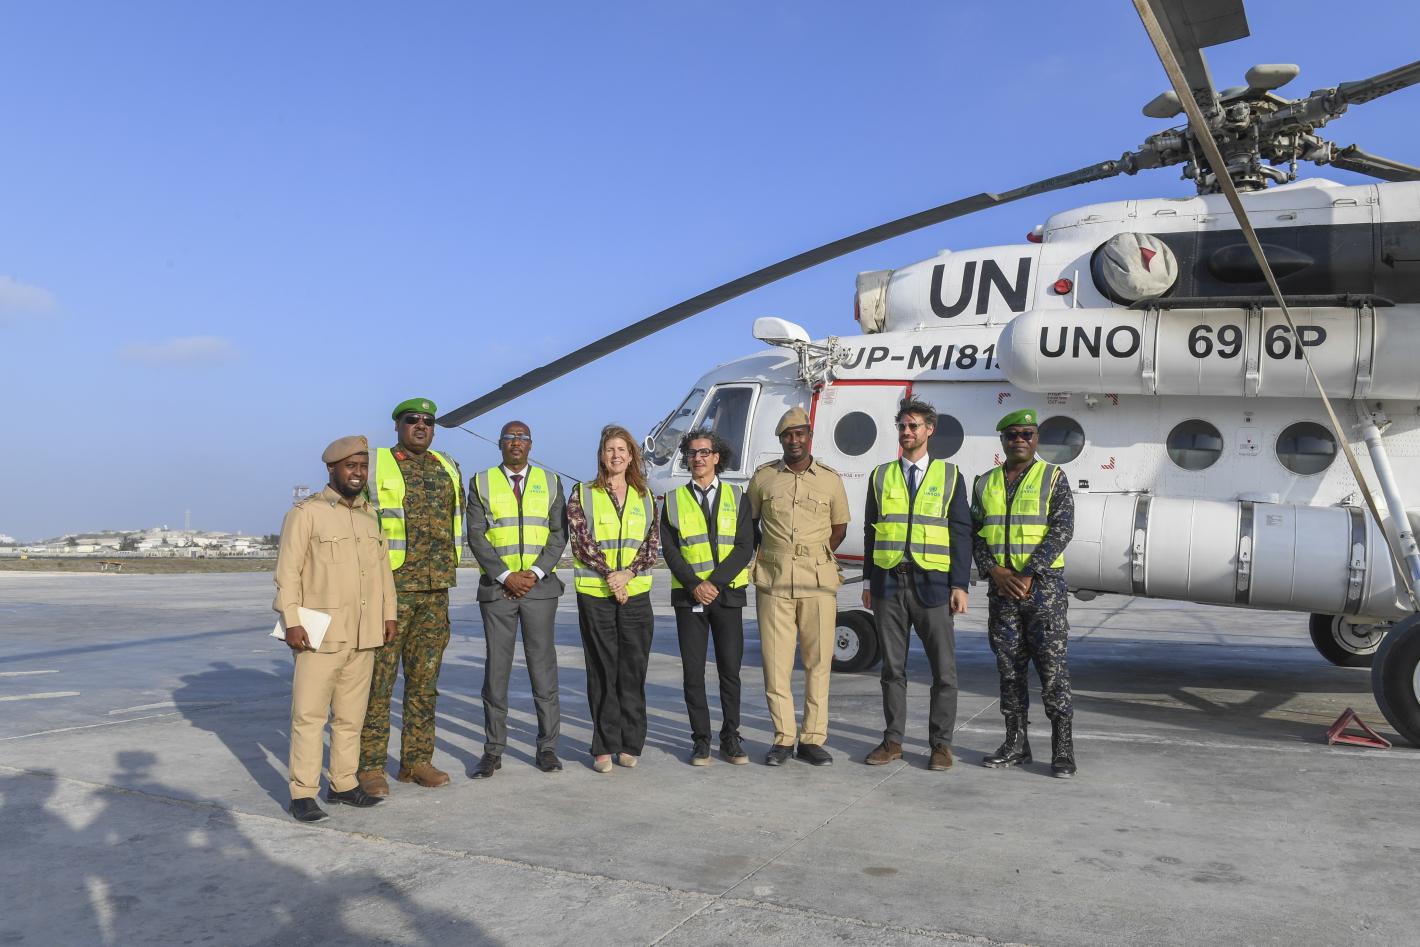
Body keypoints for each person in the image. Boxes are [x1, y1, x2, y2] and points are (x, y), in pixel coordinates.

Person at [274, 435, 397, 822]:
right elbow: (288, 573)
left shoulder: (370, 515)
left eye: (363, 467)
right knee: (309, 717)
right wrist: (291, 621)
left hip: (364, 632)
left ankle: (343, 784)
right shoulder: (306, 514)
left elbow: (382, 572)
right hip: (318, 632)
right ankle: (303, 792)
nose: (359, 473)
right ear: (332, 469)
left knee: (350, 718)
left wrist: (388, 615)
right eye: (351, 466)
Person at [358, 398, 465, 793]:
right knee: (378, 683)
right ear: (398, 425)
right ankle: (369, 765)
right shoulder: (376, 463)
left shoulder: (447, 466)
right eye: (412, 420)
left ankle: (417, 761)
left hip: (436, 591)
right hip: (391, 590)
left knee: (424, 683)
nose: (421, 426)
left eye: (428, 421)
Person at [861, 397, 972, 771]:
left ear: (929, 430)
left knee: (944, 671)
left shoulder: (951, 476)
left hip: (934, 586)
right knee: (892, 670)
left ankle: (940, 745)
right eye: (903, 427)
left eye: (914, 426)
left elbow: (960, 533)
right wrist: (867, 580)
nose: (907, 432)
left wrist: (960, 584)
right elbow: (870, 532)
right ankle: (893, 741)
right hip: (889, 583)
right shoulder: (880, 475)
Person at [971, 408, 1077, 778]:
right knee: (1009, 672)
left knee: (1053, 672)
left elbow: (1063, 528)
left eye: (1027, 434)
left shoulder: (1053, 477)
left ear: (1036, 439)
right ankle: (1016, 744)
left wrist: (1030, 572)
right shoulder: (984, 483)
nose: (1020, 440)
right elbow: (975, 533)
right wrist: (994, 571)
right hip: (1002, 593)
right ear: (1002, 440)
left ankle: (1062, 749)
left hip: (1043, 591)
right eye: (1012, 434)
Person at [747, 407, 850, 767]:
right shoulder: (763, 479)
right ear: (780, 440)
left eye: (800, 434)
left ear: (810, 437)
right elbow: (752, 524)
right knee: (775, 666)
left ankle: (812, 739)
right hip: (774, 582)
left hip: (818, 583)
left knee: (818, 664)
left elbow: (839, 528)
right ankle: (783, 738)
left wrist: (816, 556)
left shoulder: (830, 480)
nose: (795, 440)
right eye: (788, 435)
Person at [465, 420, 568, 777]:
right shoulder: (480, 483)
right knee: (497, 672)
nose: (516, 443)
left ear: (531, 444)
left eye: (522, 438)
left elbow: (558, 535)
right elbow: (476, 536)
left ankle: (548, 747)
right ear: (500, 443)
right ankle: (493, 750)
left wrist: (535, 573)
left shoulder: (551, 482)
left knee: (543, 670)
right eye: (509, 437)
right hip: (498, 590)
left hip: (539, 589)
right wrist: (507, 575)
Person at [566, 424, 660, 773]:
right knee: (602, 670)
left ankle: (631, 741)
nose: (616, 455)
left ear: (632, 455)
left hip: (635, 594)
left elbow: (652, 543)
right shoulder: (582, 493)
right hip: (596, 593)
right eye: (610, 450)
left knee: (632, 670)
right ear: (601, 456)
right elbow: (581, 540)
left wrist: (628, 576)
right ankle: (604, 745)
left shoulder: (644, 495)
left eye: (622, 449)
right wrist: (611, 577)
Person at [660, 428, 755, 766]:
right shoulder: (672, 501)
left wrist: (713, 582)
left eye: (704, 452)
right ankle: (701, 739)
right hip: (690, 599)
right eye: (691, 453)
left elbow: (746, 546)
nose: (697, 458)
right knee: (693, 672)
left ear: (717, 457)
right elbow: (669, 550)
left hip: (727, 597)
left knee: (730, 670)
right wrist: (694, 585)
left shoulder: (738, 496)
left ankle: (730, 737)